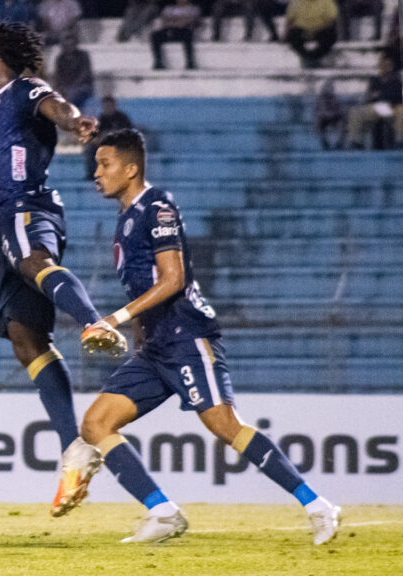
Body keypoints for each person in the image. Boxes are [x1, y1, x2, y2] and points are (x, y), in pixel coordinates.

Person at [78, 128, 341, 544]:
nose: (96, 172)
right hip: (157, 347)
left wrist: (116, 318)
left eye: (105, 164)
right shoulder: (126, 217)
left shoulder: (157, 206)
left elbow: (174, 279)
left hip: (187, 334)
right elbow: (142, 283)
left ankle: (318, 505)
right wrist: (138, 334)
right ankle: (163, 513)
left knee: (224, 424)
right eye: (96, 165)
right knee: (95, 424)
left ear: (131, 169)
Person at [0, 22, 125, 518]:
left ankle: (95, 320)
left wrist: (74, 122)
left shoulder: (21, 88)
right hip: (3, 225)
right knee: (24, 334)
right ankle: (74, 449)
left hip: (23, 209)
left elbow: (54, 104)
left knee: (38, 262)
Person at [345, 54, 403, 149]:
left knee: (401, 110)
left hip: (391, 108)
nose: (386, 67)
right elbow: (369, 96)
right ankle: (355, 141)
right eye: (384, 65)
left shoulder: (396, 81)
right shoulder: (374, 80)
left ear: (392, 67)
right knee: (355, 111)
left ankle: (400, 141)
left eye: (389, 65)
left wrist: (380, 94)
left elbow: (397, 97)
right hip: (376, 107)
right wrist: (375, 95)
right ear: (380, 66)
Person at [83, 95, 132, 180]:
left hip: (119, 145)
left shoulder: (122, 118)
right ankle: (92, 175)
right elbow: (94, 136)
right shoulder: (101, 119)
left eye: (109, 106)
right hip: (104, 145)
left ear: (114, 105)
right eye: (105, 106)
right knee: (90, 149)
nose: (107, 108)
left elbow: (129, 133)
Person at [285, 0, 339, 68]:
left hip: (321, 30)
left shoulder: (327, 1)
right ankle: (306, 56)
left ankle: (315, 57)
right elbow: (289, 20)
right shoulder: (296, 2)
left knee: (330, 34)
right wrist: (285, 34)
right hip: (302, 31)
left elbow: (331, 20)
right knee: (293, 34)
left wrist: (315, 30)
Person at [149, 0, 200, 70]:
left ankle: (190, 62)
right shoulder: (169, 8)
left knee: (188, 34)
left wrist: (174, 21)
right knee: (155, 35)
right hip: (170, 30)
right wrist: (179, 21)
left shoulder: (193, 9)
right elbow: (164, 21)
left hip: (184, 31)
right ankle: (158, 62)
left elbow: (190, 21)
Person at [52, 34, 93, 110]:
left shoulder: (83, 56)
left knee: (72, 94)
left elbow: (85, 73)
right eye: (67, 45)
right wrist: (62, 87)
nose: (69, 47)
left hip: (82, 86)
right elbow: (58, 76)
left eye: (71, 45)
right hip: (66, 88)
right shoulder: (60, 58)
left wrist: (73, 86)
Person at [211, 0, 280, 41]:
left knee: (249, 5)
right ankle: (216, 36)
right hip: (229, 5)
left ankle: (248, 35)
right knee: (217, 7)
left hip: (245, 4)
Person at [314, 80, 345, 150]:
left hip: (335, 118)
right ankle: (324, 142)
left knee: (341, 122)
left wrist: (335, 114)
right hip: (324, 119)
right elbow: (319, 112)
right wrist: (327, 114)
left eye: (331, 87)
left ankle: (339, 144)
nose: (329, 89)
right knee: (319, 122)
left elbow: (341, 111)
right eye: (328, 87)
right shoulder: (320, 99)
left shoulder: (336, 99)